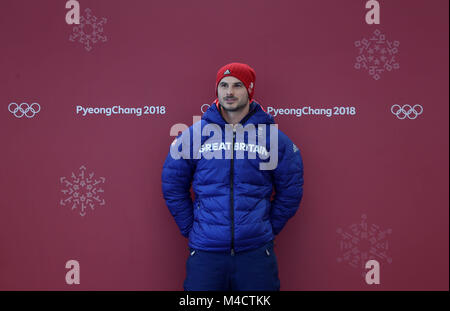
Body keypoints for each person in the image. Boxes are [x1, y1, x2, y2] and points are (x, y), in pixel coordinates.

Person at [161, 62, 304, 291]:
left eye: (237, 85)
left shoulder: (272, 138)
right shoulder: (194, 136)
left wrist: (265, 227)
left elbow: (291, 190)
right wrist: (192, 228)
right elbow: (172, 185)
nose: (229, 92)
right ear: (216, 90)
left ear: (249, 90)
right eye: (224, 85)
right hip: (206, 253)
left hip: (256, 253)